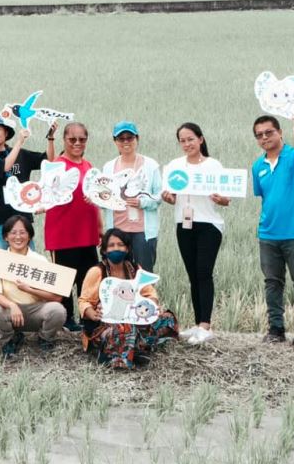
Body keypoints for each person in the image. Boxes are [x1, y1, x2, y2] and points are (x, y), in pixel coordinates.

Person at [251, 115, 294, 345]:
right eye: (259, 135)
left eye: (268, 132)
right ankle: (276, 329)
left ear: (279, 132)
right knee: (272, 283)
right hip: (268, 235)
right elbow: (265, 197)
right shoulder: (258, 166)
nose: (264, 138)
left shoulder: (293, 156)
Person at [160, 122, 229, 334]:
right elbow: (171, 195)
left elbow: (226, 198)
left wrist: (222, 199)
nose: (187, 144)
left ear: (201, 139)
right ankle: (198, 323)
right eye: (182, 141)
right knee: (192, 274)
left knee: (204, 272)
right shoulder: (174, 166)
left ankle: (205, 325)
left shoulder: (213, 166)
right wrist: (168, 198)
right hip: (183, 224)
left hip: (209, 225)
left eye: (190, 139)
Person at [78, 228, 179, 369]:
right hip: (105, 324)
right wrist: (92, 313)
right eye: (111, 245)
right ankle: (118, 356)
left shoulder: (135, 269)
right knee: (124, 327)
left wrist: (152, 306)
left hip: (135, 317)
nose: (116, 248)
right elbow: (83, 301)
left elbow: (150, 293)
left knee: (167, 318)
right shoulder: (97, 272)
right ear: (104, 250)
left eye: (120, 245)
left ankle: (136, 348)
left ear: (127, 249)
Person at [0, 215, 69, 359]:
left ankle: (45, 338)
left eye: (22, 232)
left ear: (29, 236)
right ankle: (10, 338)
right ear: (6, 237)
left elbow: (56, 297)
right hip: (10, 312)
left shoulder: (39, 260)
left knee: (58, 310)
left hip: (36, 310)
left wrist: (29, 289)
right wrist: (12, 305)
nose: (18, 237)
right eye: (13, 232)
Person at [0, 111, 52, 260]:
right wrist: (19, 142)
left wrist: (51, 138)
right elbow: (4, 167)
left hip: (22, 221)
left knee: (28, 264)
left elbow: (48, 159)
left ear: (6, 133)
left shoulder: (22, 154)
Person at [44, 121, 99, 327]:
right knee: (64, 280)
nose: (77, 143)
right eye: (72, 139)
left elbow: (96, 198)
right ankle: (66, 319)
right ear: (64, 140)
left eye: (82, 139)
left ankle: (87, 316)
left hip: (88, 232)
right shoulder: (56, 165)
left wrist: (100, 228)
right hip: (63, 233)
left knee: (88, 278)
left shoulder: (89, 166)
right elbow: (45, 193)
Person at [100, 122, 162, 271]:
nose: (126, 142)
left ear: (137, 139)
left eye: (130, 137)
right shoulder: (108, 167)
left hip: (143, 232)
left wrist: (142, 202)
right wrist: (96, 199)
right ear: (115, 141)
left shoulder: (150, 165)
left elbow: (159, 196)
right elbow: (103, 197)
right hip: (117, 231)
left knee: (144, 273)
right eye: (121, 138)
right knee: (118, 274)